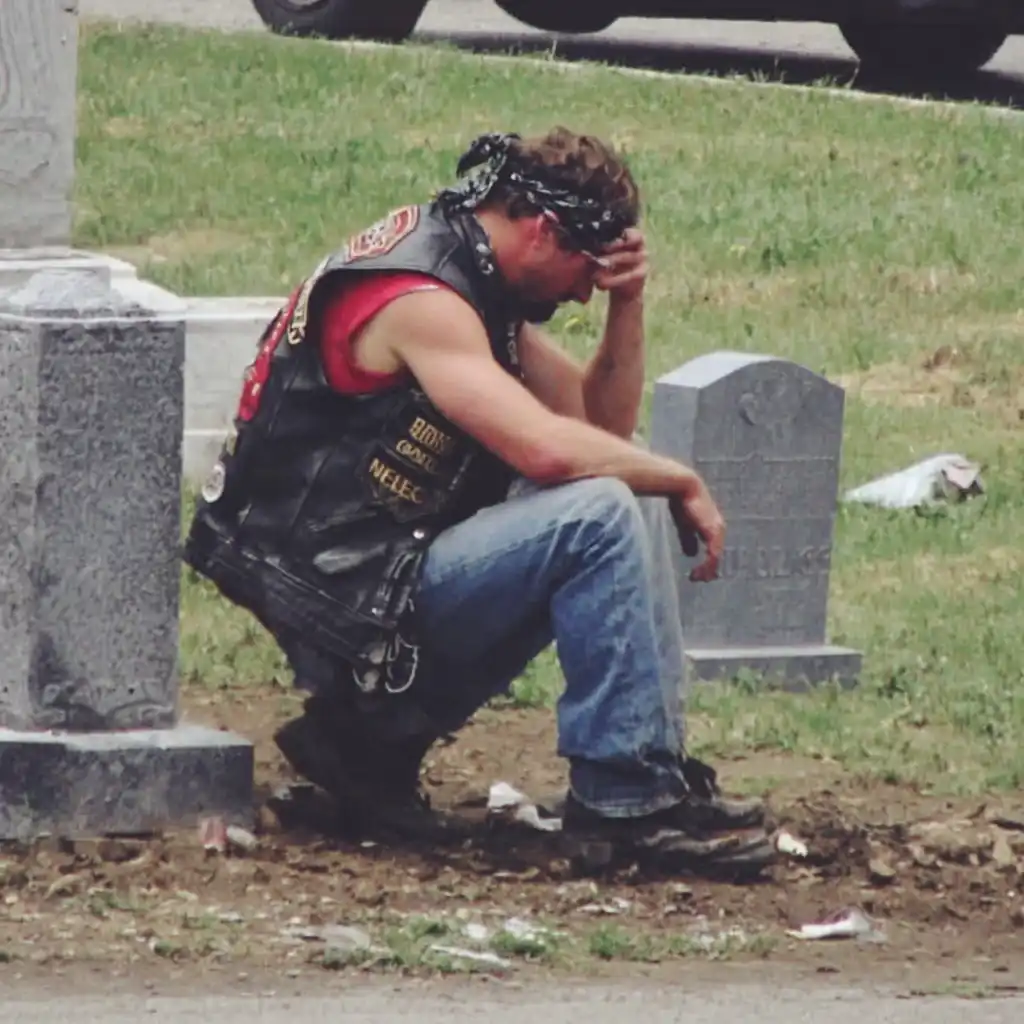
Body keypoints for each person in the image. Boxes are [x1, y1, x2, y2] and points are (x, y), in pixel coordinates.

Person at [184, 127, 778, 879]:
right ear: (543, 231)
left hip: (365, 573)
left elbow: (599, 431)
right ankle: (626, 803)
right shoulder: (424, 300)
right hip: (338, 592)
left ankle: (366, 749)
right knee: (598, 513)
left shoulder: (472, 277)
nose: (583, 292)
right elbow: (548, 450)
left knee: (618, 484)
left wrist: (627, 306)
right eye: (586, 272)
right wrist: (683, 478)